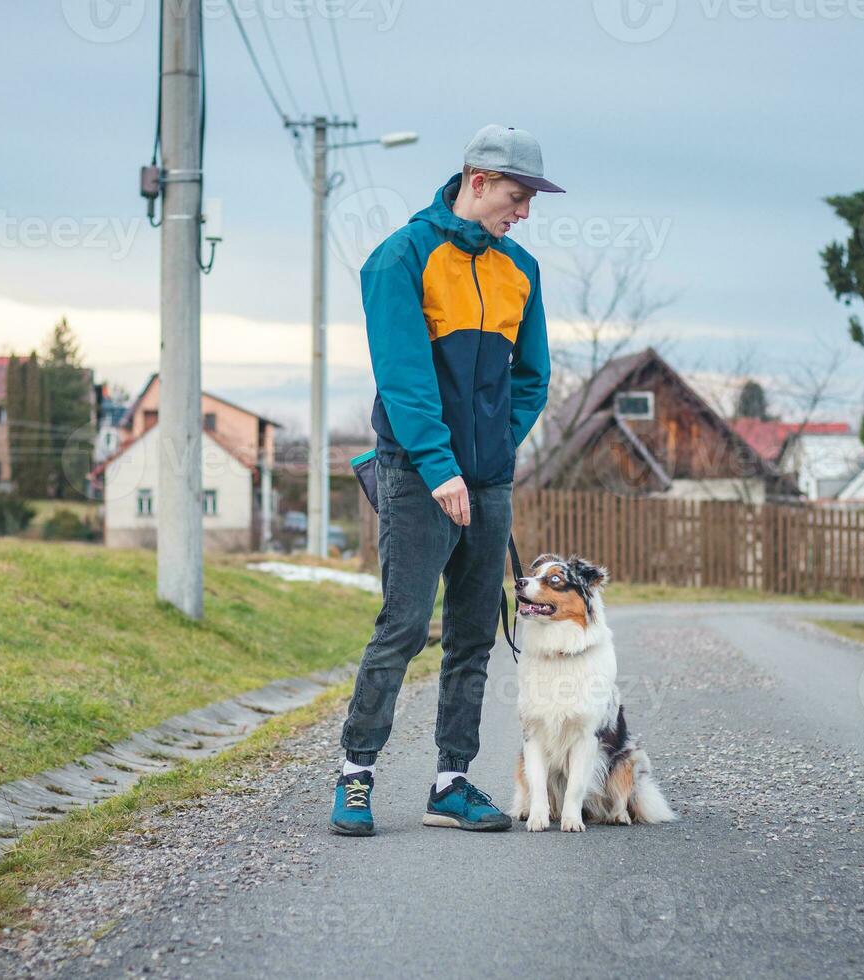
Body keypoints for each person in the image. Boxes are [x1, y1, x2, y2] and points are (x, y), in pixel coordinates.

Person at [331, 125, 561, 836]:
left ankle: (451, 782)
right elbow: (402, 378)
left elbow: (534, 378)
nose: (523, 213)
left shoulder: (519, 270)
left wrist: (490, 450)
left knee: (473, 636)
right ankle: (356, 775)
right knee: (403, 628)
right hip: (413, 473)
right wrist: (440, 468)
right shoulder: (399, 259)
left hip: (486, 479)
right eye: (517, 198)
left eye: (529, 203)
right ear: (478, 180)